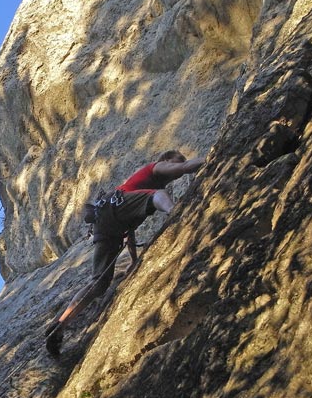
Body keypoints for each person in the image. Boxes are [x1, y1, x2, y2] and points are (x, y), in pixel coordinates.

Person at [45, 150, 204, 355]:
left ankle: (60, 325)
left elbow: (130, 231)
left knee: (99, 283)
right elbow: (184, 167)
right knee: (158, 196)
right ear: (166, 159)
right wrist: (208, 159)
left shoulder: (139, 192)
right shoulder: (155, 168)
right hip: (115, 208)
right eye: (177, 159)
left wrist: (134, 260)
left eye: (181, 161)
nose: (179, 165)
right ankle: (177, 212)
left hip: (108, 222)